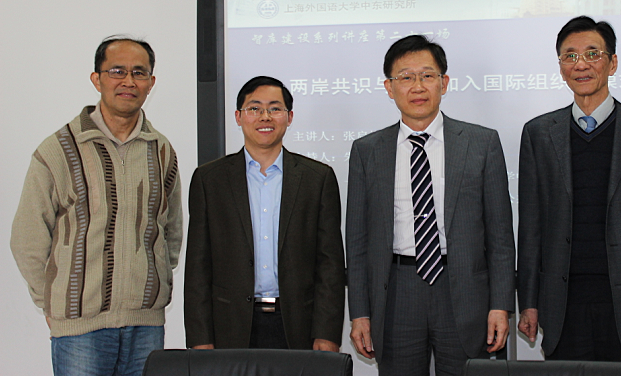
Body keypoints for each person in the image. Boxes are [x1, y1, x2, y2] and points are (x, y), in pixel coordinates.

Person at [517, 16, 621, 362]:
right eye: (570, 56)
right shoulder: (538, 134)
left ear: (612, 63)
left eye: (592, 54)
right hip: (563, 305)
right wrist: (529, 302)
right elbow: (531, 227)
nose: (581, 64)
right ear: (561, 68)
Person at [10, 36, 182, 376]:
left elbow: (171, 231)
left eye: (139, 73)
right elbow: (27, 238)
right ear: (96, 79)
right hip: (80, 331)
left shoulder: (161, 151)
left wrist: (155, 281)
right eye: (117, 71)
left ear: (151, 83)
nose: (128, 81)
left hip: (146, 327)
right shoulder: (59, 149)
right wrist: (54, 304)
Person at [346, 35, 514, 376]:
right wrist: (359, 313)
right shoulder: (367, 151)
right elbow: (358, 242)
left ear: (444, 83)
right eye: (406, 77)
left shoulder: (481, 143)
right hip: (396, 291)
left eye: (427, 75)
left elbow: (500, 237)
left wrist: (501, 305)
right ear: (389, 87)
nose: (418, 86)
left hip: (464, 290)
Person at [184, 76, 345, 351]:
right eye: (254, 108)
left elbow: (330, 264)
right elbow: (198, 267)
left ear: (289, 117)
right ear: (238, 116)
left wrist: (326, 333)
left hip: (298, 325)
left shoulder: (317, 178)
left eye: (275, 108)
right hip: (229, 326)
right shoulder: (209, 179)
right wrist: (200, 339)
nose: (265, 117)